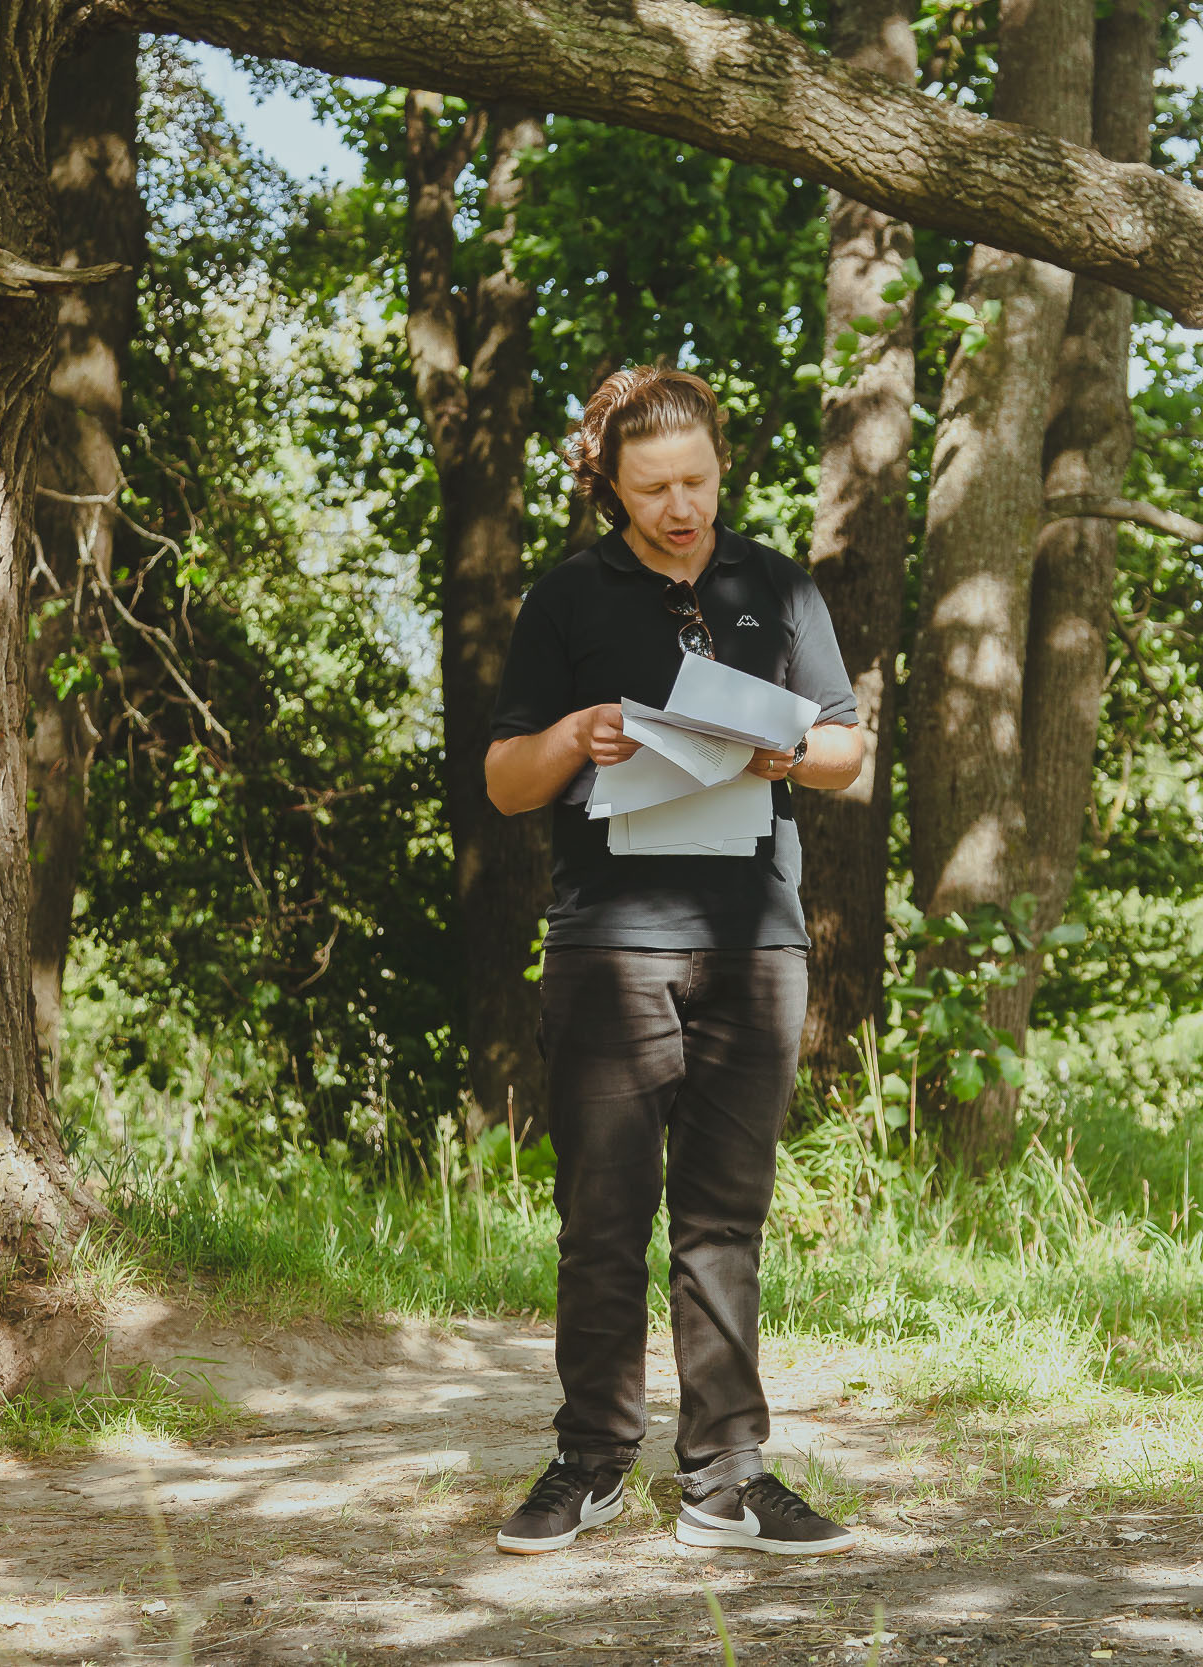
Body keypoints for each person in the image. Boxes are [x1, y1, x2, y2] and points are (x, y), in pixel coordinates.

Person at [480, 365, 866, 1558]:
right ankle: (591, 1460)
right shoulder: (566, 597)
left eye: (696, 480)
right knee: (601, 1217)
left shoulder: (779, 586)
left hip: (756, 941)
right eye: (653, 489)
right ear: (611, 486)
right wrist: (572, 734)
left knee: (724, 1221)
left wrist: (787, 754)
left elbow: (846, 749)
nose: (681, 506)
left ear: (721, 468)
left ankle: (726, 1480)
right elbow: (505, 783)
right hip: (607, 945)